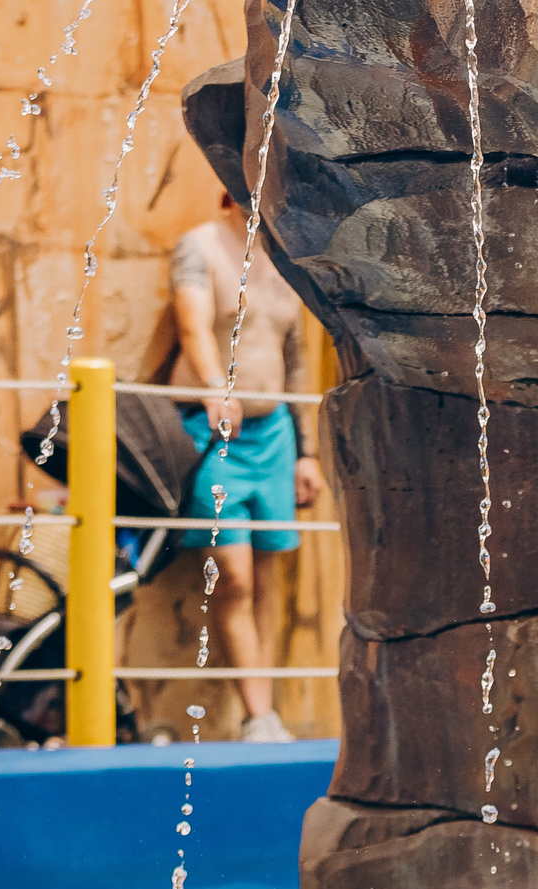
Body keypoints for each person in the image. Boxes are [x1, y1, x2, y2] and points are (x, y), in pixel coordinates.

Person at [168, 192, 321, 743]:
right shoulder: (201, 245)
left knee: (264, 575)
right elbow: (193, 329)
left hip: (274, 432)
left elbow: (297, 358)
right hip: (213, 432)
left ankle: (265, 715)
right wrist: (216, 390)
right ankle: (258, 715)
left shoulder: (285, 257)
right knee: (229, 575)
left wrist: (307, 451)